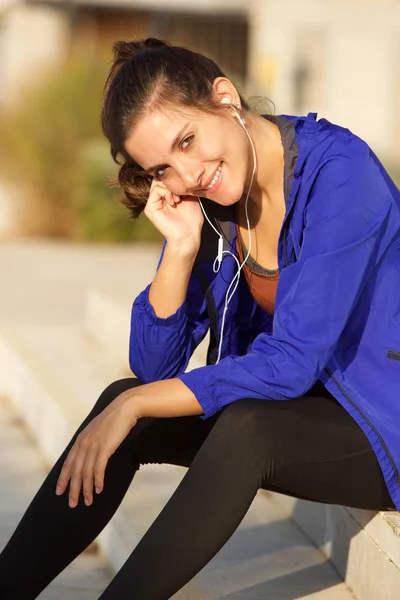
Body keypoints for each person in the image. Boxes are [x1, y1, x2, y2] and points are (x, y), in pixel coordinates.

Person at [0, 37, 399, 600]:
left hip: (384, 419)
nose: (189, 174)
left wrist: (137, 401)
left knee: (243, 429)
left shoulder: (339, 172)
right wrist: (182, 249)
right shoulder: (211, 206)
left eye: (187, 141)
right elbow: (152, 366)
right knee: (126, 401)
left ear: (224, 97)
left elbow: (290, 363)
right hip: (310, 409)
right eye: (165, 167)